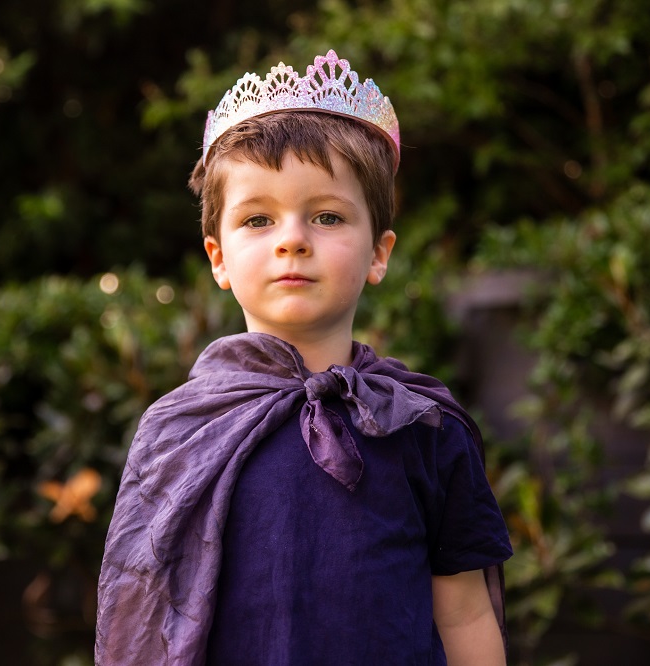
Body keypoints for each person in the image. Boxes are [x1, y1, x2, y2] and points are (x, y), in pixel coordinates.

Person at [95, 50, 512, 665]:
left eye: (326, 215)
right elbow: (145, 607)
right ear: (217, 257)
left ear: (379, 253)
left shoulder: (422, 425)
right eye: (259, 218)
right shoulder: (179, 430)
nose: (293, 238)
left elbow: (466, 613)